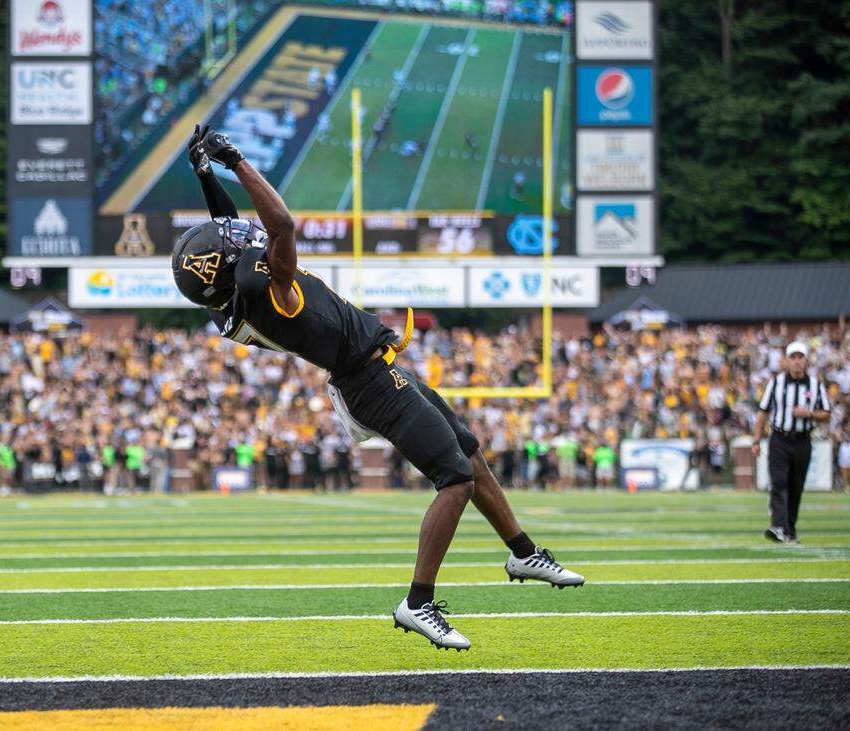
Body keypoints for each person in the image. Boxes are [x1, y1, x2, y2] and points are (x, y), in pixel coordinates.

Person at [170, 124, 584, 652]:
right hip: (370, 380)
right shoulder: (273, 288)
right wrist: (234, 160)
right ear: (230, 270)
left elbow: (227, 227)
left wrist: (204, 174)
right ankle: (418, 602)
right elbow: (280, 224)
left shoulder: (231, 301)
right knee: (455, 479)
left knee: (469, 454)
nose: (232, 237)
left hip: (368, 371)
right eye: (226, 248)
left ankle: (521, 550)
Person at [752, 341, 831, 544]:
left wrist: (810, 414)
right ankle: (777, 525)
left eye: (800, 357)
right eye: (793, 357)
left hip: (802, 440)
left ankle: (789, 529)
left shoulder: (816, 384)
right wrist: (756, 440)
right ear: (787, 361)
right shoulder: (776, 383)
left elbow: (827, 414)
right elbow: (762, 413)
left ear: (806, 361)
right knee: (778, 482)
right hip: (779, 438)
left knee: (796, 487)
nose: (797, 362)